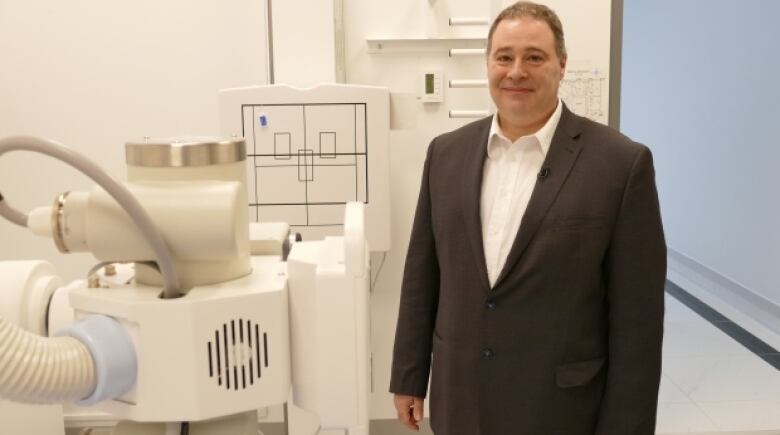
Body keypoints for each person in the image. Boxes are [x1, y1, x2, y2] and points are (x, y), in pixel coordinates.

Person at [389, 2, 667, 434]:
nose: (516, 71)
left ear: (561, 64)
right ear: (488, 64)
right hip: (461, 398)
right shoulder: (445, 154)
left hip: (559, 409)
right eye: (504, 56)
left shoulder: (620, 165)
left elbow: (638, 323)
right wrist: (408, 375)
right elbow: (421, 276)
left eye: (534, 57)